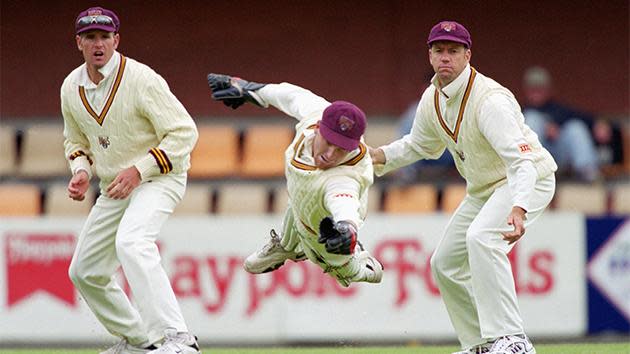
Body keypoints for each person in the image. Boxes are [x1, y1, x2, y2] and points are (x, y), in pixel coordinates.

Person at [369, 21, 557, 354]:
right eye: (439, 51)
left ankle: (513, 340)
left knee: (482, 238)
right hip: (485, 189)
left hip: (527, 180)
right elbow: (418, 145)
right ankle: (480, 345)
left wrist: (520, 207)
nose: (446, 58)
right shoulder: (432, 98)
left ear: (467, 55)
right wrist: (376, 156)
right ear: (429, 55)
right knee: (444, 264)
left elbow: (522, 162)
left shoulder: (490, 101)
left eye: (453, 51)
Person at [61, 7, 200, 354]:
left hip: (159, 177)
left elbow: (184, 132)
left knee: (132, 242)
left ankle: (177, 337)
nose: (98, 44)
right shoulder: (70, 87)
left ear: (116, 40)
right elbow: (75, 141)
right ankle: (141, 342)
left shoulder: (141, 79)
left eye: (105, 37)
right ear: (79, 42)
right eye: (90, 37)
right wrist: (80, 171)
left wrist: (139, 169)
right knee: (85, 271)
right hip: (115, 187)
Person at [206, 73, 383, 287]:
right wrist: (249, 89)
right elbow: (291, 96)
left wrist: (347, 230)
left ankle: (367, 267)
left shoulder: (344, 176)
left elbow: (344, 201)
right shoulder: (315, 115)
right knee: (299, 199)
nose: (330, 154)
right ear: (318, 127)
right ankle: (287, 246)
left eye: (341, 149)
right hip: (303, 197)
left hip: (325, 229)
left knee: (342, 267)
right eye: (328, 142)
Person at [521, 66, 601, 182]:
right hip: (536, 160)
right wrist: (544, 127)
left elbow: (586, 118)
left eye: (540, 89)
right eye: (533, 89)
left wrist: (599, 124)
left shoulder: (558, 109)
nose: (536, 93)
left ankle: (587, 172)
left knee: (575, 127)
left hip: (560, 156)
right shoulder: (521, 111)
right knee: (532, 119)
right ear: (526, 90)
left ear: (548, 90)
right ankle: (529, 172)